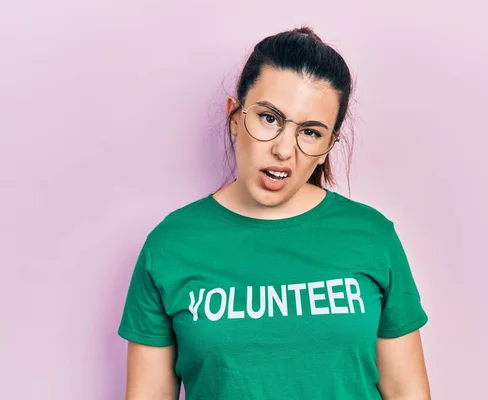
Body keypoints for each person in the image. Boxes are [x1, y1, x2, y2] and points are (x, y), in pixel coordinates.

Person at [118, 26, 431, 400]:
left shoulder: (372, 237)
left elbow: (407, 391)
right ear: (235, 116)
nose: (284, 150)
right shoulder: (171, 245)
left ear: (329, 143)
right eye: (269, 118)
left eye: (311, 132)